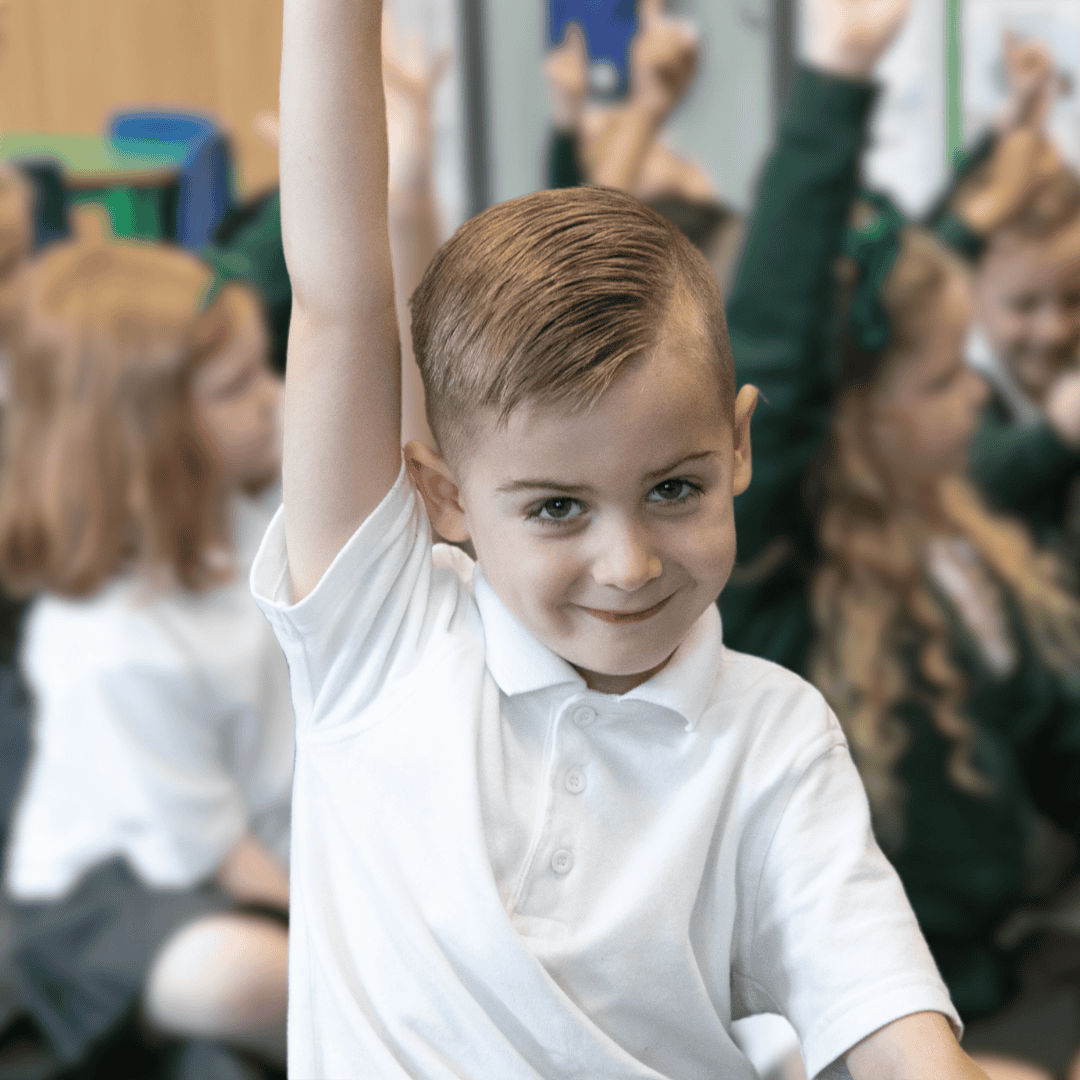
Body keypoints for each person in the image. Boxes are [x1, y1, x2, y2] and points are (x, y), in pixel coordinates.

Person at [253, 0, 992, 1074]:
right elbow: (336, 301)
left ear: (737, 445)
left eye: (675, 489)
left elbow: (886, 1021)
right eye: (557, 508)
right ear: (444, 497)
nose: (630, 563)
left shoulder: (776, 737)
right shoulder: (378, 633)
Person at [720, 12, 1080, 1080]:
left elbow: (1061, 748)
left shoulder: (955, 550)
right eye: (940, 380)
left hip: (1024, 961)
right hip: (907, 1028)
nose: (977, 393)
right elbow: (785, 342)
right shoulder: (781, 587)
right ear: (860, 421)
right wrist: (835, 79)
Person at [0, 233, 292, 1078]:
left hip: (253, 843)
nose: (274, 399)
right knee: (236, 978)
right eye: (238, 387)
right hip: (119, 899)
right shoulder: (109, 645)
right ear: (150, 437)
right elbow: (213, 858)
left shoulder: (245, 504)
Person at [925, 35, 1080, 565]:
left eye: (1074, 300)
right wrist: (1060, 433)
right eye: (1024, 306)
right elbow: (983, 478)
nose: (1055, 328)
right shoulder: (958, 382)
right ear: (970, 294)